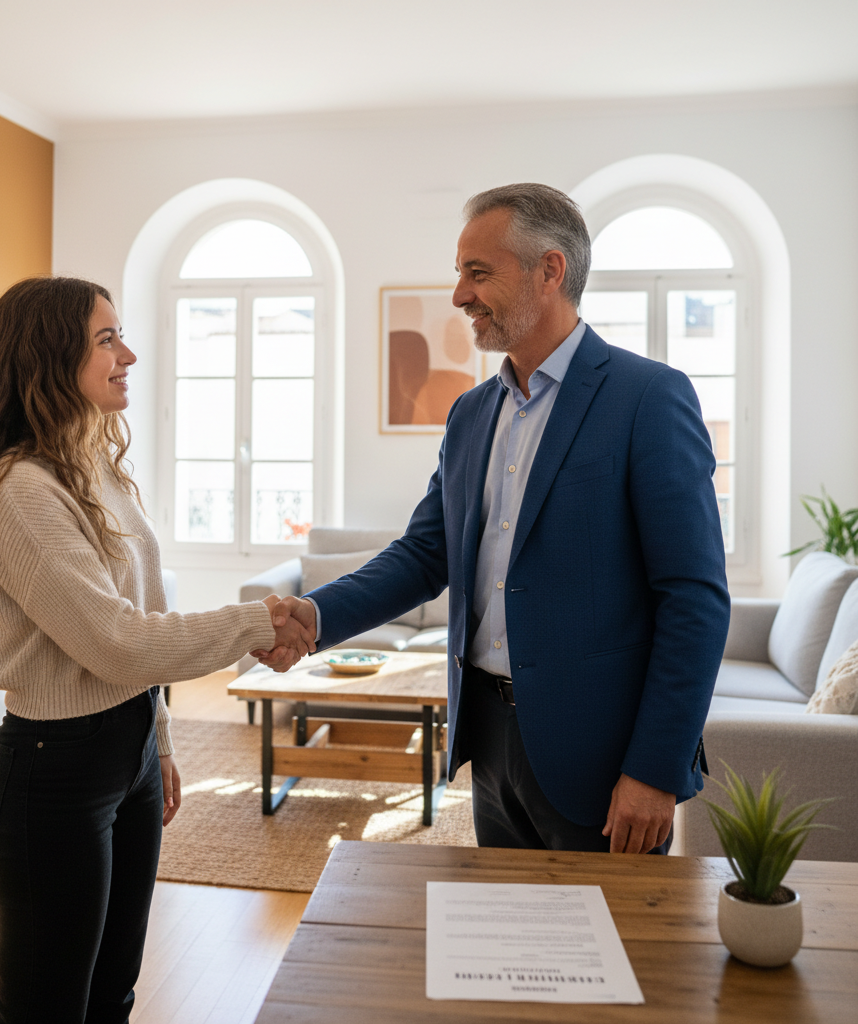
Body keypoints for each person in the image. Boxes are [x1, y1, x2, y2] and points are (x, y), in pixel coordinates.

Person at [269, 184, 731, 855]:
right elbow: (426, 554)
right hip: (488, 741)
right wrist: (316, 617)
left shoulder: (650, 398)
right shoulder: (470, 414)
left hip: (601, 762)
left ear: (550, 271)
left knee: (606, 955)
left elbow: (694, 598)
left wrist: (655, 768)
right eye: (460, 273)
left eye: (477, 273)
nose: (459, 295)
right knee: (506, 942)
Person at [0, 276, 312, 1024]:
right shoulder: (15, 491)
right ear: (49, 358)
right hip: (53, 774)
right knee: (46, 1011)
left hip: (129, 752)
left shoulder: (96, 467)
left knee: (113, 996)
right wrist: (256, 622)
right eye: (106, 339)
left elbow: (143, 611)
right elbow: (115, 640)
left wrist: (160, 741)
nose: (129, 354)